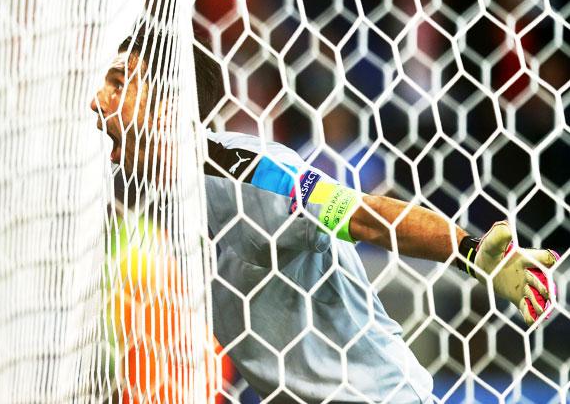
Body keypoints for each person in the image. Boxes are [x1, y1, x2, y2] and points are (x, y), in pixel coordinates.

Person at [90, 29, 561, 403]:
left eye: (118, 83)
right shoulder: (149, 206)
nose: (97, 101)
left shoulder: (253, 173)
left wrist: (471, 253)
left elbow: (365, 214)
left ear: (168, 104)